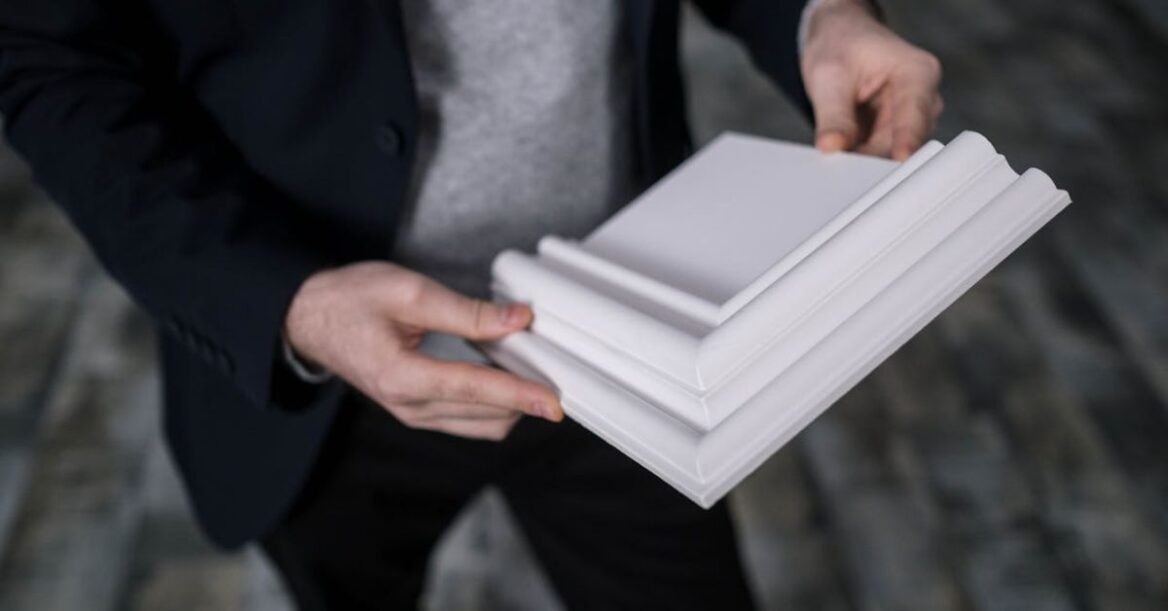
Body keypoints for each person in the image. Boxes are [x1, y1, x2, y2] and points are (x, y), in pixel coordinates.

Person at [0, 0, 941, 608]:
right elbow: (50, 58)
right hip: (331, 368)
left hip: (630, 322)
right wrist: (281, 301)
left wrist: (822, 15)